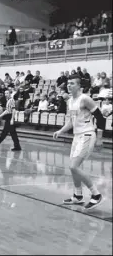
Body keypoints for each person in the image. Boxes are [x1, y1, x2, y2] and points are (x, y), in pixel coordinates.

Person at [53, 75, 105, 210]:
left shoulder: (85, 99)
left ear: (79, 86)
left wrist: (100, 138)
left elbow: (100, 118)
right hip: (77, 136)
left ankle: (96, 194)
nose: (69, 86)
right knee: (73, 168)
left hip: (87, 134)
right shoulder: (70, 101)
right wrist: (61, 131)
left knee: (74, 167)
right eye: (68, 84)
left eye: (72, 83)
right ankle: (78, 196)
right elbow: (72, 121)